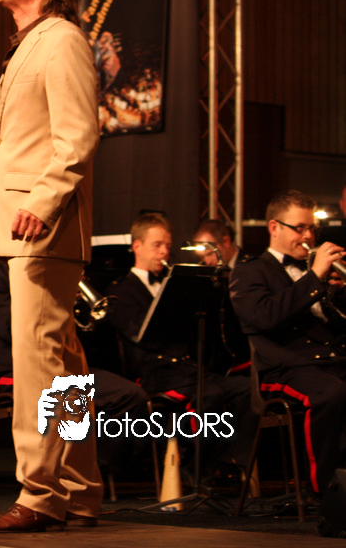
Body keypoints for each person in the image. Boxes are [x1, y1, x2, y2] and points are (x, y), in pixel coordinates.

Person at [0, 0, 103, 533]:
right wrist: (2, 213)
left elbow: (77, 136)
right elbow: (28, 146)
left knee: (38, 363)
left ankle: (40, 493)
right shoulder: (32, 42)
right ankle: (79, 489)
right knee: (63, 363)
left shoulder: (62, 39)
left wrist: (42, 202)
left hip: (46, 227)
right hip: (29, 222)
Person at [105, 213, 255, 467]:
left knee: (247, 389)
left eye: (167, 246)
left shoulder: (175, 283)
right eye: (157, 245)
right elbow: (139, 334)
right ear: (137, 246)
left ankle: (233, 463)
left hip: (189, 369)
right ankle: (196, 468)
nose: (164, 252)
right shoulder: (119, 291)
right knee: (209, 395)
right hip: (156, 373)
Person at [0, 259, 150, 469]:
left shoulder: (44, 272)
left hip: (58, 366)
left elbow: (79, 338)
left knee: (130, 395)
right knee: (111, 396)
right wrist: (56, 301)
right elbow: (15, 331)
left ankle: (96, 466)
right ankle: (84, 468)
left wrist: (71, 303)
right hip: (14, 371)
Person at [229, 189, 346, 495]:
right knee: (330, 394)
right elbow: (266, 316)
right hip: (285, 368)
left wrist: (339, 291)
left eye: (312, 229)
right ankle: (324, 492)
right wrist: (314, 279)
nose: (308, 236)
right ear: (274, 227)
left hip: (329, 360)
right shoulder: (249, 271)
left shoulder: (313, 273)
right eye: (300, 228)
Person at [191, 219, 251, 373]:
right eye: (202, 257)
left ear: (226, 241)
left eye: (210, 254)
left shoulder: (251, 266)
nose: (207, 261)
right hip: (216, 356)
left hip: (246, 350)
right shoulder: (204, 271)